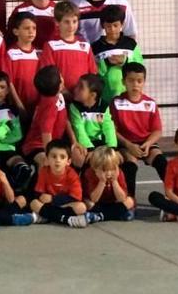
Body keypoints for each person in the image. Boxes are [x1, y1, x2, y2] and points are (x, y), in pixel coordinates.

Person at [111, 62, 166, 196]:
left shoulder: (150, 104)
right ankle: (130, 201)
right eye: (131, 80)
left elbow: (157, 130)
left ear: (144, 82)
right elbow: (112, 130)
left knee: (162, 162)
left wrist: (148, 144)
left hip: (146, 143)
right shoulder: (116, 103)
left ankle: (174, 196)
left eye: (139, 81)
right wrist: (128, 145)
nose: (135, 84)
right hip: (126, 143)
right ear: (124, 81)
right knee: (130, 166)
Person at [20, 66, 80, 169]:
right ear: (60, 84)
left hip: (54, 143)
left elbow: (65, 120)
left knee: (78, 156)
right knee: (48, 164)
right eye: (60, 76)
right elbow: (46, 133)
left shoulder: (59, 97)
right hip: (36, 146)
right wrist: (51, 155)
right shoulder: (50, 105)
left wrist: (74, 142)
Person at [39, 1, 97, 96]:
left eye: (74, 21)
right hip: (60, 96)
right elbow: (49, 74)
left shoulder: (85, 46)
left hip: (82, 98)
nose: (71, 26)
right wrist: (63, 91)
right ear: (57, 22)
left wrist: (85, 93)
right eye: (66, 22)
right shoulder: (51, 45)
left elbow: (92, 73)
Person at [29, 140, 92, 228]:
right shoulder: (44, 171)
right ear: (47, 159)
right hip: (49, 204)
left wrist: (53, 199)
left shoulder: (72, 175)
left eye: (62, 157)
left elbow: (75, 198)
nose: (57, 160)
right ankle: (67, 219)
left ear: (68, 161)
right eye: (54, 156)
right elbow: (38, 193)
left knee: (81, 207)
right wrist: (42, 197)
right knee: (34, 203)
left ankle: (47, 216)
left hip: (63, 204)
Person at [92, 5, 144, 104]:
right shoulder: (96, 47)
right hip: (106, 98)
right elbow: (94, 72)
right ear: (103, 25)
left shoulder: (130, 44)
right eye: (108, 26)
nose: (112, 29)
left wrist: (125, 61)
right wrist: (106, 62)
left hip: (129, 96)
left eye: (115, 25)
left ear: (122, 24)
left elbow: (140, 65)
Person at [69, 73, 117, 159]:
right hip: (84, 143)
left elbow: (108, 126)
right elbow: (79, 128)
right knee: (83, 158)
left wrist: (112, 147)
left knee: (112, 159)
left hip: (100, 142)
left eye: (81, 87)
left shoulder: (103, 106)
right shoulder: (75, 107)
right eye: (77, 85)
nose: (75, 89)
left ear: (92, 95)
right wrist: (89, 148)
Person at [1, 12, 40, 115]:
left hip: (36, 106)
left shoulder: (39, 54)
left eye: (34, 28)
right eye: (27, 28)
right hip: (17, 106)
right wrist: (18, 104)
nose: (31, 31)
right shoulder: (11, 53)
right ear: (16, 31)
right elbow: (9, 82)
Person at [82, 146, 134, 222]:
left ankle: (100, 216)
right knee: (87, 204)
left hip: (114, 202)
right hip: (97, 203)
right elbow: (94, 199)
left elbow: (122, 198)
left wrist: (114, 181)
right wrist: (102, 182)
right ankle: (118, 214)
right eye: (104, 170)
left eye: (112, 169)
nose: (109, 173)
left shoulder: (118, 173)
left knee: (130, 201)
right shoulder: (89, 173)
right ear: (95, 168)